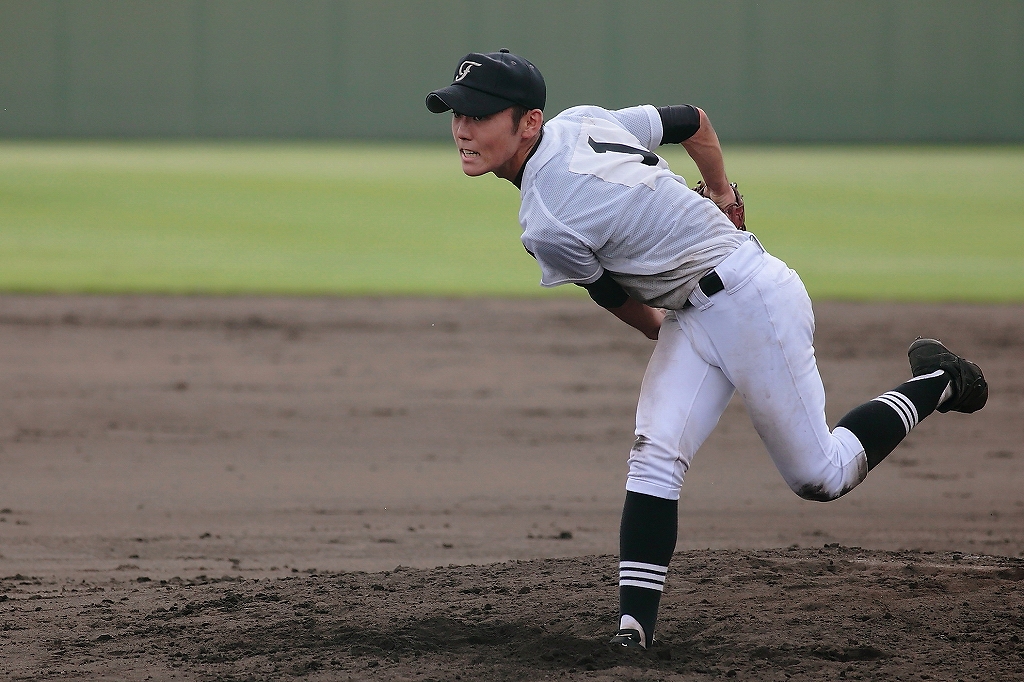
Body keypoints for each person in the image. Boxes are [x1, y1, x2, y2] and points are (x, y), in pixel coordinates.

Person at [425, 50, 988, 651]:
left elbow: (620, 302)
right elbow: (693, 121)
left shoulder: (547, 222)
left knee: (821, 476)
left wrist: (664, 322)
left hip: (752, 300)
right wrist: (722, 194)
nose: (462, 128)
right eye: (458, 113)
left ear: (529, 122)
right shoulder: (583, 120)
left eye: (481, 115)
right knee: (654, 454)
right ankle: (633, 631)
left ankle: (937, 379)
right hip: (698, 308)